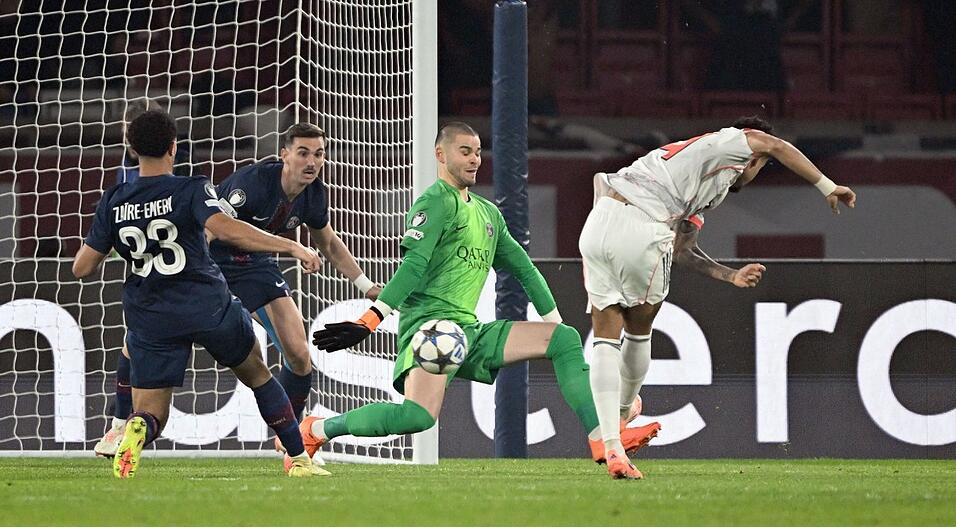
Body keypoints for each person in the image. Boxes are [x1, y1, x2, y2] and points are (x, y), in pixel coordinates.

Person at [307, 122, 661, 479]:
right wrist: (370, 320)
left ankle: (604, 439)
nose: (475, 159)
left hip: (469, 331)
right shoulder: (433, 203)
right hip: (430, 331)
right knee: (417, 418)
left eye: (477, 151)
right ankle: (317, 430)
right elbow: (412, 267)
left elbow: (525, 270)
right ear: (440, 154)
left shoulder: (489, 214)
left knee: (565, 338)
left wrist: (554, 325)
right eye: (465, 151)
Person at [579, 116, 857, 478]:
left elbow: (681, 250)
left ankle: (612, 442)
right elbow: (774, 143)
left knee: (604, 332)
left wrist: (731, 275)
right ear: (753, 156)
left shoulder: (700, 176)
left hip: (599, 222)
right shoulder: (730, 142)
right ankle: (622, 413)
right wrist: (827, 185)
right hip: (644, 224)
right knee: (639, 327)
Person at [72, 109, 328, 478]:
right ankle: (298, 459)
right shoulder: (192, 188)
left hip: (152, 314)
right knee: (258, 375)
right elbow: (228, 229)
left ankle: (135, 427)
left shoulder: (114, 201)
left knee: (151, 413)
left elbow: (82, 267)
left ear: (130, 149)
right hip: (207, 305)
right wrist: (291, 247)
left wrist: (118, 239)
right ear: (174, 147)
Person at [210, 123, 381, 448]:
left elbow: (329, 244)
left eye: (318, 154)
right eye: (303, 153)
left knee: (300, 355)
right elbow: (215, 228)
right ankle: (122, 418)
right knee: (178, 334)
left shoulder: (314, 194)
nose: (312, 162)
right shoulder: (252, 183)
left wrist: (366, 286)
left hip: (255, 266)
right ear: (284, 154)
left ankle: (290, 439)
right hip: (210, 264)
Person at [93, 98, 193, 458]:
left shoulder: (144, 173)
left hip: (165, 273)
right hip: (163, 270)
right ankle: (122, 426)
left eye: (127, 128)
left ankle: (122, 426)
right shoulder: (131, 172)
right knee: (131, 345)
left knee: (134, 345)